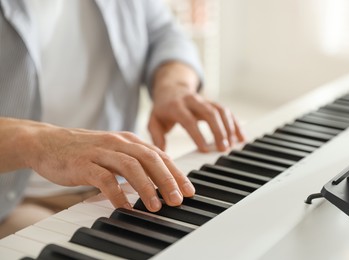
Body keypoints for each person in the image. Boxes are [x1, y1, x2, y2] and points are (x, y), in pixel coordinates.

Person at [0, 0, 245, 238]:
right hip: (15, 199)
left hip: (116, 185)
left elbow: (164, 34)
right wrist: (39, 143)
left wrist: (174, 85)